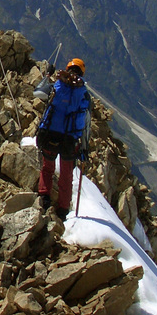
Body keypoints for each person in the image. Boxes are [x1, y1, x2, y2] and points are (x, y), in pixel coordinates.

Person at [36, 57, 91, 220]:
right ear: (81, 73)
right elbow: (86, 123)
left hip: (50, 133)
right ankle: (63, 209)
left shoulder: (57, 85)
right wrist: (84, 147)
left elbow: (38, 93)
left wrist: (47, 75)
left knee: (47, 167)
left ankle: (44, 197)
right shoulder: (84, 95)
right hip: (69, 139)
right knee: (66, 175)